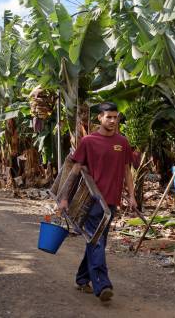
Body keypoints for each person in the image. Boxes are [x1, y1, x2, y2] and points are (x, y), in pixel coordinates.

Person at [58, 102, 136, 302]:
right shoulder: (89, 141)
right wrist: (65, 197)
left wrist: (133, 196)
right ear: (99, 118)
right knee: (97, 241)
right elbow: (75, 170)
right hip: (92, 201)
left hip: (111, 202)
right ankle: (102, 285)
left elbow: (127, 171)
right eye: (108, 117)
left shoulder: (122, 142)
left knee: (97, 241)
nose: (113, 120)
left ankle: (82, 278)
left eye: (115, 117)